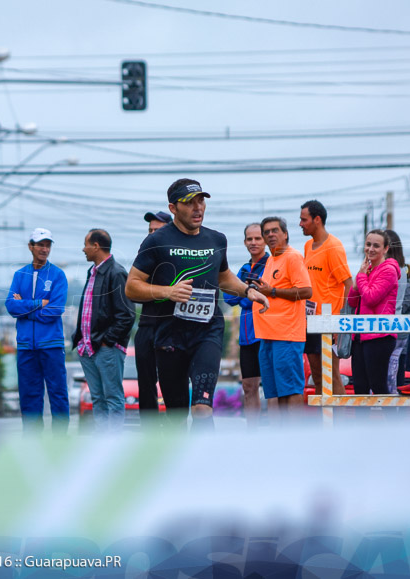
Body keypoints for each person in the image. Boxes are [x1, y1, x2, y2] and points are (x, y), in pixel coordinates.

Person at [126, 179, 269, 430]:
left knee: (203, 408)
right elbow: (132, 286)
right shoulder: (157, 241)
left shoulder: (216, 239)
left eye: (201, 200)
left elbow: (223, 277)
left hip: (207, 332)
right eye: (189, 202)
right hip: (169, 335)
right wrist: (168, 291)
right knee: (177, 415)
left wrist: (248, 291)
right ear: (173, 208)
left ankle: (206, 463)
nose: (197, 207)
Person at [5, 228, 70, 433]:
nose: (44, 249)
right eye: (40, 244)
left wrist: (24, 308)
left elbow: (55, 310)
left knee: (57, 392)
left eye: (48, 245)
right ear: (30, 246)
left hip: (51, 344)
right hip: (25, 345)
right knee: (29, 394)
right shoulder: (19, 275)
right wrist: (38, 303)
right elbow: (10, 306)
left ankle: (60, 438)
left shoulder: (58, 275)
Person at [72, 229, 135, 431]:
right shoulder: (92, 272)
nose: (84, 249)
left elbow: (127, 314)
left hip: (106, 349)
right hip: (88, 348)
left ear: (96, 246)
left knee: (113, 398)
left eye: (86, 244)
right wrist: (81, 339)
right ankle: (101, 443)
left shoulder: (116, 273)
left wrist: (108, 340)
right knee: (97, 398)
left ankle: (114, 444)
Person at [251, 217, 313, 419]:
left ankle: (294, 438)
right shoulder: (271, 260)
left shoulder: (292, 256)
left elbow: (306, 291)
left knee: (291, 390)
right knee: (277, 392)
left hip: (286, 334)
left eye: (275, 230)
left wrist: (273, 291)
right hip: (268, 334)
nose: (270, 235)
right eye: (266, 232)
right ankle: (283, 438)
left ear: (285, 234)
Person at [299, 200, 352, 397]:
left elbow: (348, 284)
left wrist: (341, 322)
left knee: (332, 375)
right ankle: (325, 424)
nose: (300, 224)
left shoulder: (334, 247)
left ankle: (342, 424)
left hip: (330, 322)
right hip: (310, 320)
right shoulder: (307, 246)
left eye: (304, 219)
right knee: (317, 375)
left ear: (317, 220)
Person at [222, 222, 269, 426]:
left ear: (265, 240)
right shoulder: (243, 268)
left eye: (258, 238)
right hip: (247, 337)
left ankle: (278, 433)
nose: (253, 242)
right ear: (244, 242)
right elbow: (228, 297)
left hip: (267, 333)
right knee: (249, 386)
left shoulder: (272, 264)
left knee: (271, 388)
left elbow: (264, 295)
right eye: (249, 239)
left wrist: (245, 294)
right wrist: (248, 294)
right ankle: (253, 432)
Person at [347, 230, 400, 396]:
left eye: (376, 245)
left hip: (379, 336)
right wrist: (358, 282)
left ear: (385, 249)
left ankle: (389, 422)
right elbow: (352, 301)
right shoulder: (367, 270)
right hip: (361, 336)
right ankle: (362, 423)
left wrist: (361, 278)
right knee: (360, 389)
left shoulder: (389, 270)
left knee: (378, 387)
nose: (371, 249)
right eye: (368, 244)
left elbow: (370, 298)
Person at [135, 210, 172, 420]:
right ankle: (148, 430)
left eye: (157, 230)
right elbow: (133, 291)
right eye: (150, 230)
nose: (152, 235)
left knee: (172, 382)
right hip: (147, 325)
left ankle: (175, 428)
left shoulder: (178, 255)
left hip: (173, 326)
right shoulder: (144, 256)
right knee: (146, 384)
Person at [383, 230, 410, 392]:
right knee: (395, 383)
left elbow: (400, 306)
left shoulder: (398, 272)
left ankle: (394, 415)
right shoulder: (401, 271)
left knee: (394, 383)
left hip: (393, 333)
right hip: (397, 333)